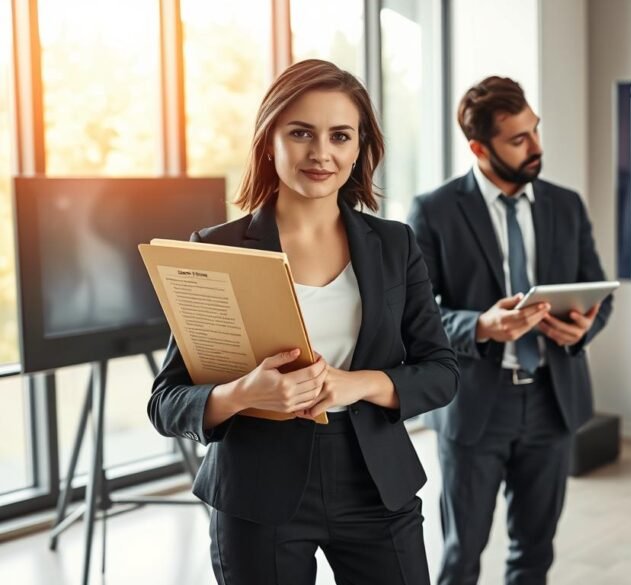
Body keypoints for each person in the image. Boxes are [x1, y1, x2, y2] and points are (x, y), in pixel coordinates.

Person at [148, 59, 459, 585]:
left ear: (361, 147)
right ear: (270, 141)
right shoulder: (216, 248)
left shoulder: (395, 245)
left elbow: (442, 372)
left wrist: (355, 384)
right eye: (301, 133)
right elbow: (167, 401)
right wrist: (245, 393)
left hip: (375, 481)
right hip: (256, 492)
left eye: (340, 135)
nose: (321, 153)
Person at [407, 76, 612, 585]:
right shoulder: (434, 210)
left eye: (535, 132)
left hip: (552, 398)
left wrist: (583, 328)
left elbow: (596, 291)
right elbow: (413, 315)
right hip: (477, 404)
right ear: (479, 147)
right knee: (462, 553)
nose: (536, 147)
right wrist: (480, 325)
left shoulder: (566, 204)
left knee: (535, 551)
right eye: (518, 139)